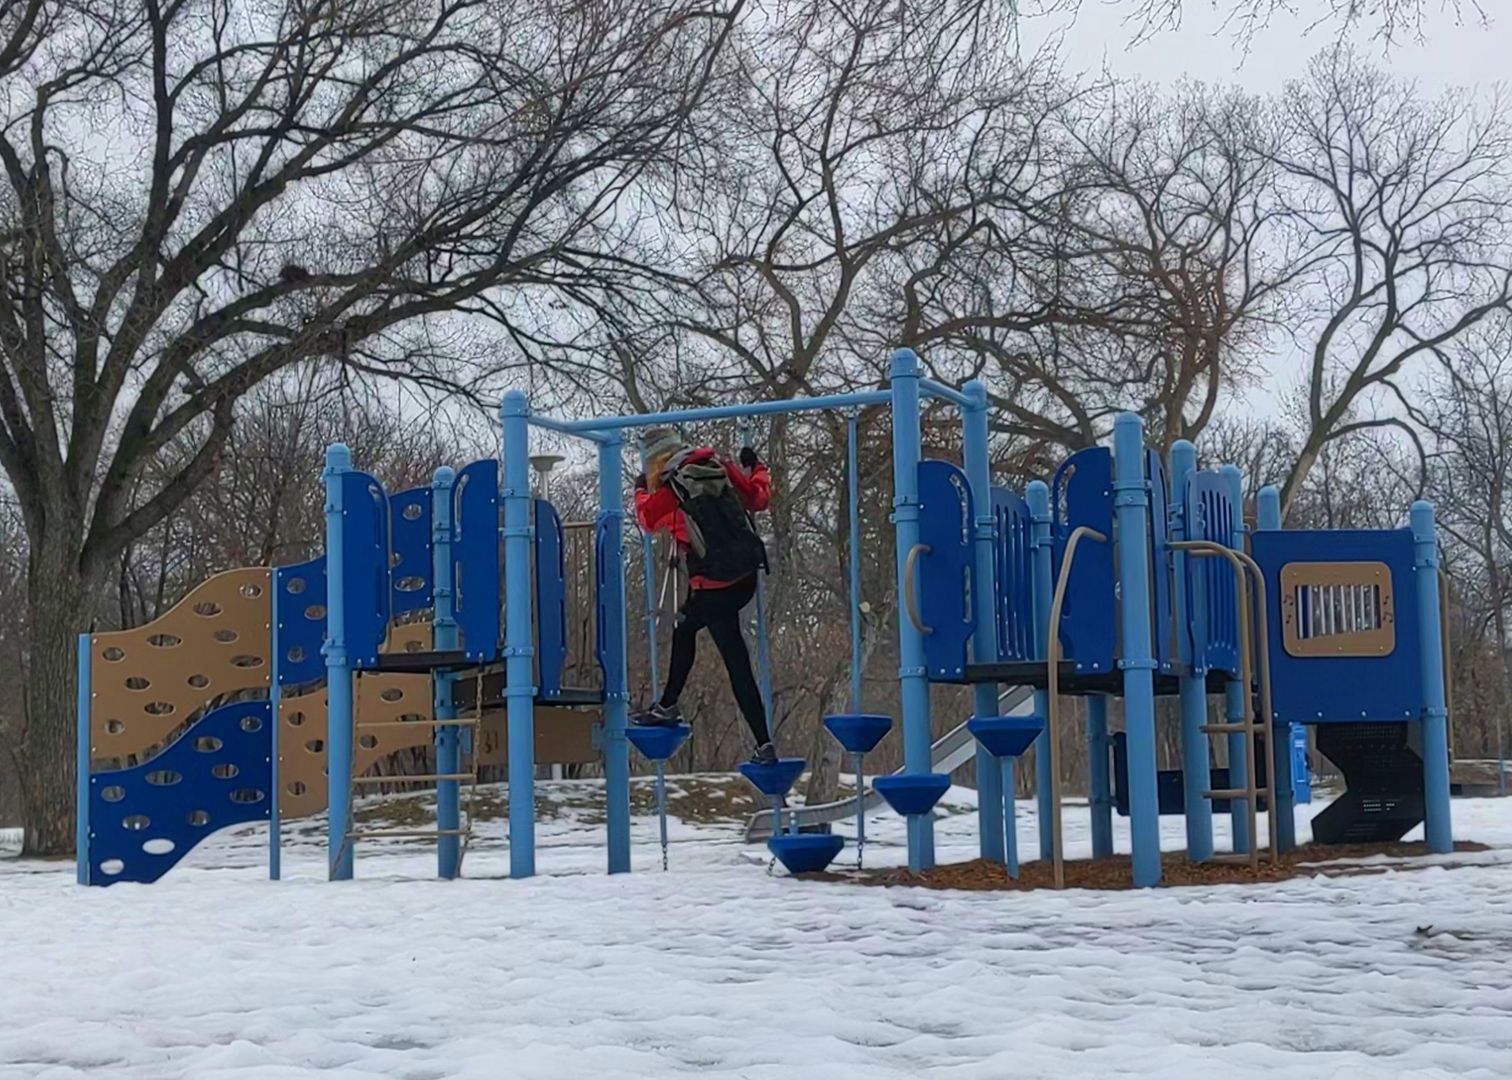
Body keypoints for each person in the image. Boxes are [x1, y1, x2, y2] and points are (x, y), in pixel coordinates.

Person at [632, 427, 778, 766]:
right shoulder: (718, 465)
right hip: (745, 574)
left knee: (723, 654)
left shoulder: (672, 488)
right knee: (693, 630)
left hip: (714, 584)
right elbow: (758, 498)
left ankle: (671, 707)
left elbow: (647, 521)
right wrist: (757, 467)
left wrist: (640, 490)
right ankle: (761, 743)